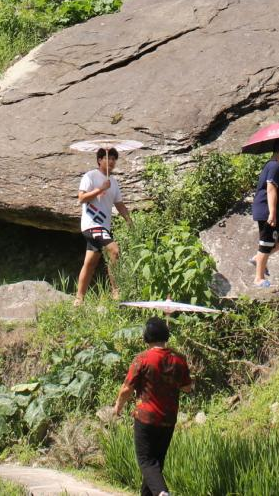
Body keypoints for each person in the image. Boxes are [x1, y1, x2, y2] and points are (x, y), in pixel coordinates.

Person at [114, 317, 192, 496]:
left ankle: (162, 493)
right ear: (166, 335)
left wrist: (118, 406)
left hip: (146, 418)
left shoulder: (142, 359)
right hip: (168, 419)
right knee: (156, 464)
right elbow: (187, 387)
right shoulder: (179, 359)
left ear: (146, 337)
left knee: (146, 461)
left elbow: (127, 388)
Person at [76, 146, 132, 305]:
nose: (111, 161)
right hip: (91, 224)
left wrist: (129, 220)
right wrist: (100, 189)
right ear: (99, 160)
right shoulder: (90, 176)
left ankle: (78, 300)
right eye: (108, 158)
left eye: (114, 159)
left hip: (103, 227)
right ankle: (116, 292)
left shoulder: (113, 182)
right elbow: (81, 198)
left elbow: (119, 204)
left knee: (90, 263)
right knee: (114, 250)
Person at [250, 141, 279, 287]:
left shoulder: (276, 167)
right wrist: (272, 213)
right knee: (266, 242)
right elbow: (270, 189)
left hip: (276, 211)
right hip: (267, 210)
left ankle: (258, 258)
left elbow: (277, 188)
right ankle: (258, 278)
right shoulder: (274, 166)